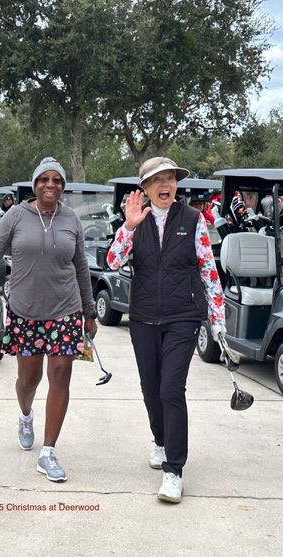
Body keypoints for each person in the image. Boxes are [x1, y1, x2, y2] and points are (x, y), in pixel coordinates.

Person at [0, 157, 98, 482]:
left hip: (65, 310)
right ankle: (25, 414)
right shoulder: (16, 216)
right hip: (26, 312)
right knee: (29, 380)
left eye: (57, 180)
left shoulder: (71, 219)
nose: (50, 185)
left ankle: (48, 452)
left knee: (60, 375)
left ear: (63, 186)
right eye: (44, 179)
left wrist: (89, 313)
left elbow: (81, 268)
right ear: (35, 184)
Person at [107, 157, 225, 504]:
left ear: (176, 185)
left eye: (170, 178)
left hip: (183, 317)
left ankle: (174, 471)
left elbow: (208, 269)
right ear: (144, 188)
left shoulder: (192, 219)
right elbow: (113, 261)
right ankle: (159, 441)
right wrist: (128, 227)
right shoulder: (135, 220)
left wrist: (217, 318)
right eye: (157, 180)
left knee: (171, 388)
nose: (165, 185)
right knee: (151, 390)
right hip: (143, 318)